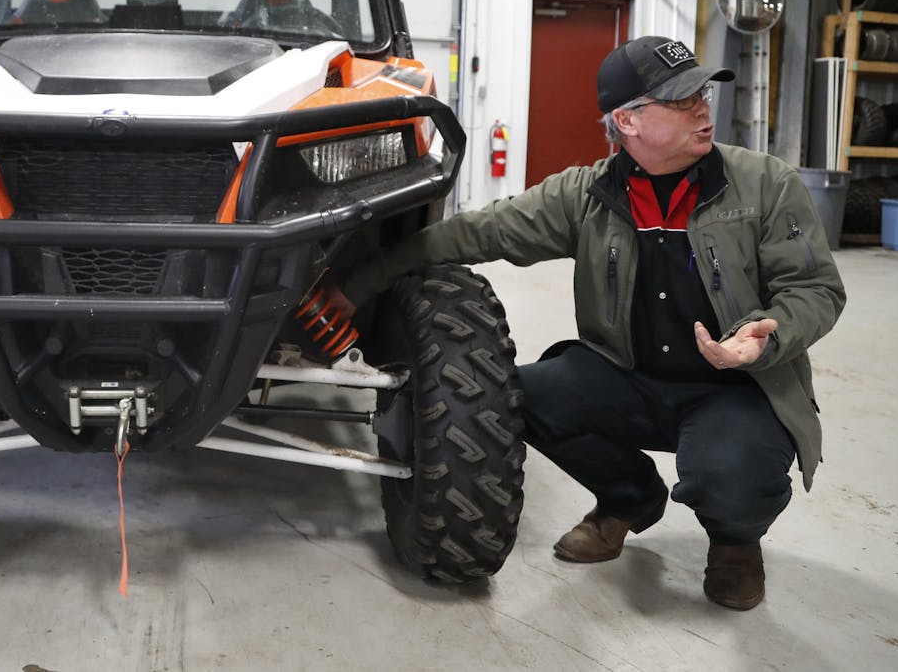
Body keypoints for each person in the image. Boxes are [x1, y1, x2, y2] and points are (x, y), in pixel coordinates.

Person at [344, 35, 846, 610]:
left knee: (727, 474)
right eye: (681, 100)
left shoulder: (764, 185)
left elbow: (816, 289)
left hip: (737, 387)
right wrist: (359, 282)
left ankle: (735, 543)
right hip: (626, 374)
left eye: (702, 93)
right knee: (510, 396)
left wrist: (767, 334)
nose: (703, 109)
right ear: (627, 122)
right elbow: (477, 232)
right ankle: (628, 499)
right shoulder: (588, 196)